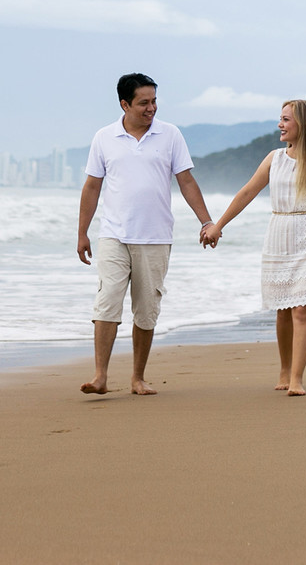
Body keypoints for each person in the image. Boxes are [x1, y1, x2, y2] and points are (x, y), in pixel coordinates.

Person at [78, 73, 216, 396]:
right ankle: (100, 376)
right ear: (124, 104)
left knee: (146, 309)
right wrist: (82, 232)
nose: (151, 108)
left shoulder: (170, 135)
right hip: (113, 234)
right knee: (107, 301)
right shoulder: (104, 137)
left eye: (154, 101)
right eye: (144, 102)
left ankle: (137, 377)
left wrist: (207, 222)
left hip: (155, 237)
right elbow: (92, 187)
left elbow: (186, 182)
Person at [201, 100, 306, 396]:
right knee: (283, 310)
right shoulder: (274, 159)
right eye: (280, 119)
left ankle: (296, 378)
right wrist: (219, 225)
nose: (280, 125)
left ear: (304, 124)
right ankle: (284, 368)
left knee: (303, 311)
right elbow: (246, 192)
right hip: (279, 237)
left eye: (285, 120)